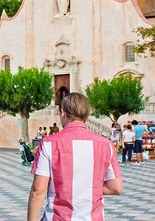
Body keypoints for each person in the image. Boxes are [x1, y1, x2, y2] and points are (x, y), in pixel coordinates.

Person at [27, 93, 122, 221]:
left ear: (62, 112)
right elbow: (116, 188)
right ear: (88, 115)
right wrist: (84, 186)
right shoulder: (106, 145)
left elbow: (38, 191)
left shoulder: (49, 144)